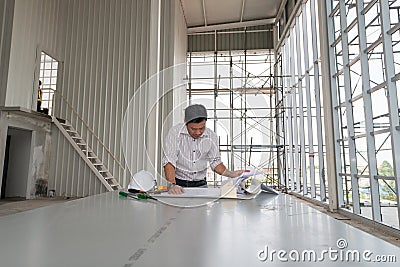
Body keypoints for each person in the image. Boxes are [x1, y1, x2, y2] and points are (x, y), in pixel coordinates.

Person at [162, 104, 244, 194]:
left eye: (201, 128)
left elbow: (215, 162)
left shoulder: (211, 136)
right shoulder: (175, 133)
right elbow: (169, 161)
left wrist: (231, 174)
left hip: (201, 185)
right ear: (185, 122)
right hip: (178, 185)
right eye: (193, 129)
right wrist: (172, 185)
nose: (198, 132)